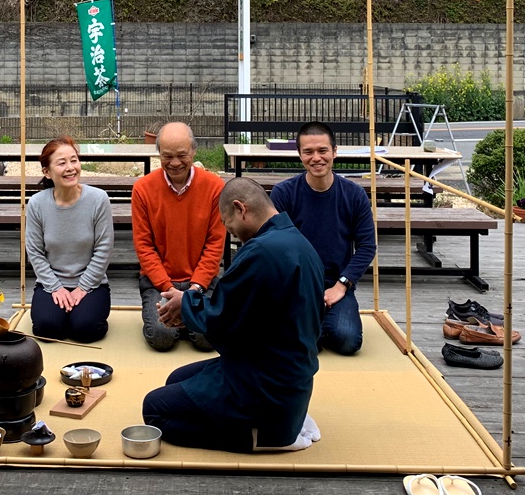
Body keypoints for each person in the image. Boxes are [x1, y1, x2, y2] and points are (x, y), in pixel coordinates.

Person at [142, 177, 325, 453]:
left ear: (241, 209)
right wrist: (189, 310)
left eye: (228, 224)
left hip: (264, 385)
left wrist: (185, 306)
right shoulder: (296, 240)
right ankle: (287, 420)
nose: (231, 233)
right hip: (287, 374)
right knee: (176, 379)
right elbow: (243, 317)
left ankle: (265, 437)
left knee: (155, 411)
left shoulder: (261, 251)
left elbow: (223, 319)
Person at [270, 121, 377, 356]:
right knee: (308, 344)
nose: (316, 158)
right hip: (296, 286)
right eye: (308, 152)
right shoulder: (284, 193)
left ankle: (324, 320)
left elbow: (367, 246)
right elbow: (272, 245)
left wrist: (342, 285)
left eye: (322, 151)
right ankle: (311, 325)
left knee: (347, 341)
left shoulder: (354, 195)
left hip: (338, 284)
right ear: (299, 155)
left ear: (335, 152)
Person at [131, 121, 226, 352]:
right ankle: (182, 321)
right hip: (160, 283)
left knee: (208, 341)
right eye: (167, 156)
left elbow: (215, 244)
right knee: (162, 338)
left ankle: (187, 319)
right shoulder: (143, 189)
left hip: (201, 283)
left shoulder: (214, 187)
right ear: (158, 154)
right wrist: (170, 291)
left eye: (182, 155)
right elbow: (144, 247)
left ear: (194, 150)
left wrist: (192, 292)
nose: (174, 163)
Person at [24, 136, 113, 343]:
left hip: (92, 283)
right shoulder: (37, 204)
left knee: (86, 329)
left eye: (74, 160)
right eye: (62, 163)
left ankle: (82, 313)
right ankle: (63, 313)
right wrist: (56, 288)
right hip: (51, 281)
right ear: (46, 171)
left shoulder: (98, 199)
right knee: (46, 329)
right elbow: (35, 253)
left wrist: (82, 288)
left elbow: (104, 249)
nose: (71, 168)